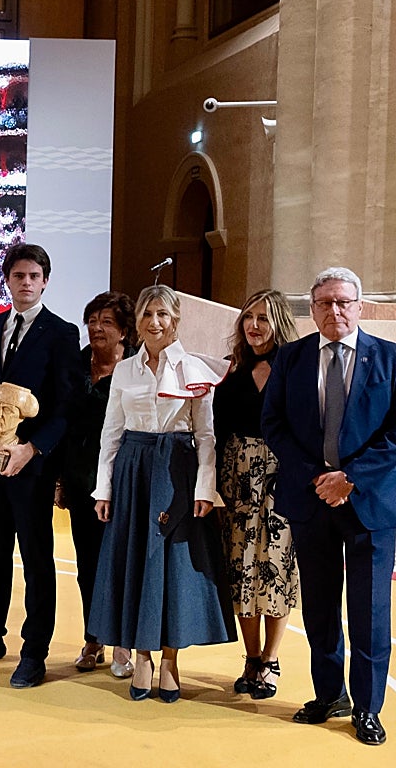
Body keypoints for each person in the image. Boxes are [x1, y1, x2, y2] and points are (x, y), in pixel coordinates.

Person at [262, 267, 396, 746]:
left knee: (370, 613)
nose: (334, 311)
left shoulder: (390, 358)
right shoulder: (291, 358)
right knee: (319, 609)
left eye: (343, 302)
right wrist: (316, 478)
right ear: (312, 309)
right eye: (324, 303)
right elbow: (273, 422)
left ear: (360, 307)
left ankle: (367, 707)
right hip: (311, 498)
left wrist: (351, 480)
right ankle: (328, 695)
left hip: (370, 505)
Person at [90, 284, 234, 703]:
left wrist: (204, 488)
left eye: (163, 315)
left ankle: (170, 659)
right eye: (147, 315)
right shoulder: (124, 371)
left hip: (177, 470)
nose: (155, 322)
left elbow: (206, 437)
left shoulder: (194, 368)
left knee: (172, 568)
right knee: (138, 563)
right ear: (137, 323)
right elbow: (111, 434)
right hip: (134, 471)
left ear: (175, 320)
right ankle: (142, 655)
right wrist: (105, 488)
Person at [0, 243, 81, 689]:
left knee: (38, 558)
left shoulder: (61, 333)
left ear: (45, 281)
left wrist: (33, 448)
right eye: (18, 275)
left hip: (31, 467)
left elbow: (66, 405)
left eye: (33, 276)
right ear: (6, 279)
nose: (25, 283)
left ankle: (34, 651)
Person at [215, 289, 300, 700]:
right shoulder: (233, 369)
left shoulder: (296, 365)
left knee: (276, 570)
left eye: (263, 319)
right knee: (242, 569)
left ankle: (271, 657)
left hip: (283, 478)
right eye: (248, 317)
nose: (253, 326)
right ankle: (250, 658)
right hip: (238, 480)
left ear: (279, 322)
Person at [56, 291, 136, 677]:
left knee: (119, 563)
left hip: (122, 480)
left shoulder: (138, 366)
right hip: (77, 476)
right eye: (93, 319)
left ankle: (123, 641)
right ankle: (93, 637)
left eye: (107, 321)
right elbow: (62, 424)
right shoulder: (74, 363)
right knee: (87, 565)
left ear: (124, 329)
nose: (97, 327)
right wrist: (59, 479)